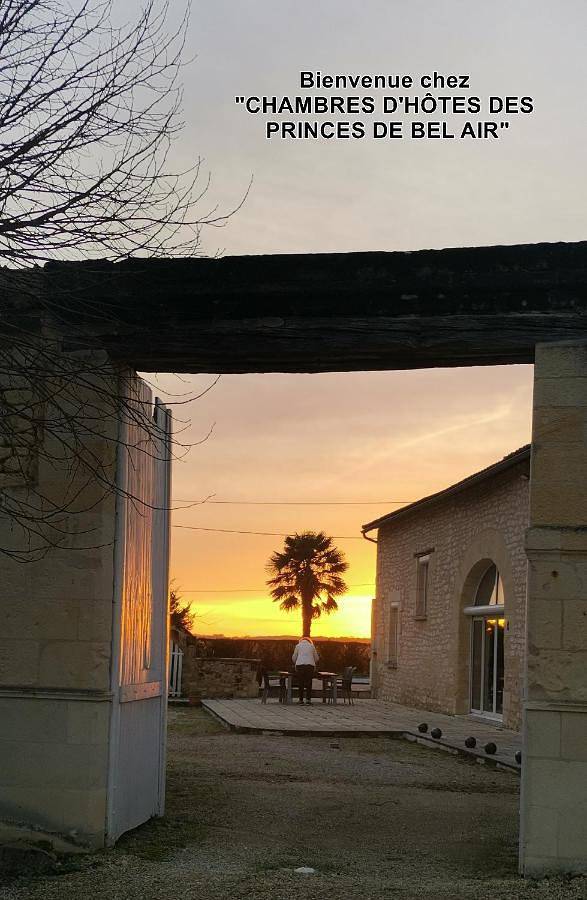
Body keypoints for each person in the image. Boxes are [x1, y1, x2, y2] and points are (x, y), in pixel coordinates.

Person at [292, 636, 319, 705]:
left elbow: (294, 657)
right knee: (309, 682)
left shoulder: (298, 646)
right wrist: (313, 661)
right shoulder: (312, 646)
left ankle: (300, 700)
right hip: (310, 666)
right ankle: (308, 700)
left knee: (301, 682)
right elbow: (316, 658)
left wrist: (296, 662)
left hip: (300, 665)